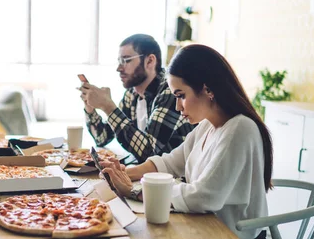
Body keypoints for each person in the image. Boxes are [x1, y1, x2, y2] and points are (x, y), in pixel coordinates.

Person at [101, 44, 272, 239]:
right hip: (203, 225)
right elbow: (170, 163)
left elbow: (203, 196)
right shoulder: (207, 126)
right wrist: (122, 174)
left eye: (181, 96)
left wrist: (134, 191)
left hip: (227, 233)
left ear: (208, 89)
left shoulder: (239, 129)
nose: (177, 106)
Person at [80, 34, 194, 163]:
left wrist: (108, 106)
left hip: (175, 178)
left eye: (126, 60)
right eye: (119, 61)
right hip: (145, 174)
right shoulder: (131, 94)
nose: (119, 68)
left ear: (150, 61)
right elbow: (102, 138)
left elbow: (150, 154)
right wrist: (89, 107)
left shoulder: (170, 92)